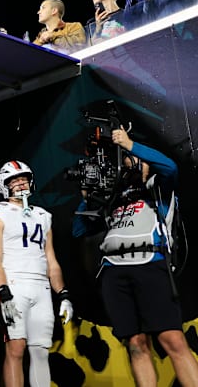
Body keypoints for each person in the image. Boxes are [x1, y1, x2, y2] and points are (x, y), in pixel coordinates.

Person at [72, 126, 198, 386]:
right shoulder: (112, 198)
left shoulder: (157, 187)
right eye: (126, 161)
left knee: (172, 338)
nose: (129, 164)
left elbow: (170, 166)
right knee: (136, 343)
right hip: (114, 271)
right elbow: (79, 229)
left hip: (150, 265)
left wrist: (130, 144)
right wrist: (86, 198)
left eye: (133, 160)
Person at [0, 160, 73, 387]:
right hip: (14, 284)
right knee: (16, 348)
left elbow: (51, 260)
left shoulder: (43, 215)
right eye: (15, 180)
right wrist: (3, 292)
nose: (21, 183)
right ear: (4, 185)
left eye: (23, 179)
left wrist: (62, 293)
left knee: (41, 351)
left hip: (41, 287)